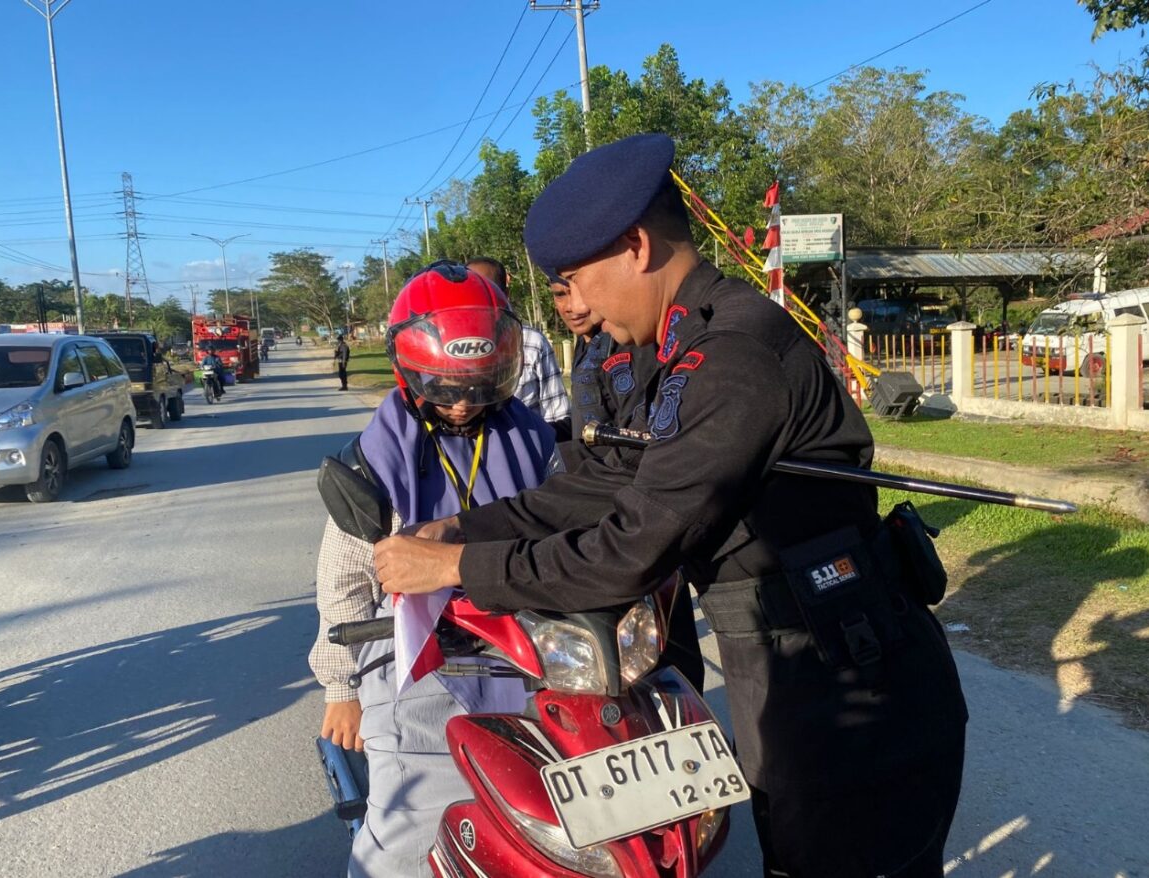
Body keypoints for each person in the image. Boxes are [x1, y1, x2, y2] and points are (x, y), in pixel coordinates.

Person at [374, 134, 968, 877]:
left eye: (575, 280)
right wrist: (460, 526)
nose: (577, 308)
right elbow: (602, 481)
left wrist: (457, 566)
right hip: (781, 660)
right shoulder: (672, 350)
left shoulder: (735, 355)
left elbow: (631, 546)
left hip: (852, 679)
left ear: (635, 245)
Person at [308, 260, 558, 878]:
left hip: (531, 647)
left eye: (482, 385)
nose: (464, 404)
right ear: (410, 372)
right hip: (416, 656)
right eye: (445, 387)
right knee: (409, 831)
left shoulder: (533, 441)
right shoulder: (376, 460)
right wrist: (341, 690)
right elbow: (343, 581)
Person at [550, 272, 706, 693]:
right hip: (593, 508)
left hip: (634, 509)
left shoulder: (630, 344)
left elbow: (641, 437)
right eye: (560, 294)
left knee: (664, 648)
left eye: (579, 290)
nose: (572, 306)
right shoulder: (587, 346)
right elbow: (587, 424)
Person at [465, 256, 570, 438]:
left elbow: (558, 417)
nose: (477, 298)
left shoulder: (532, 343)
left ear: (505, 295)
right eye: (470, 290)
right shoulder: (447, 349)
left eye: (488, 291)